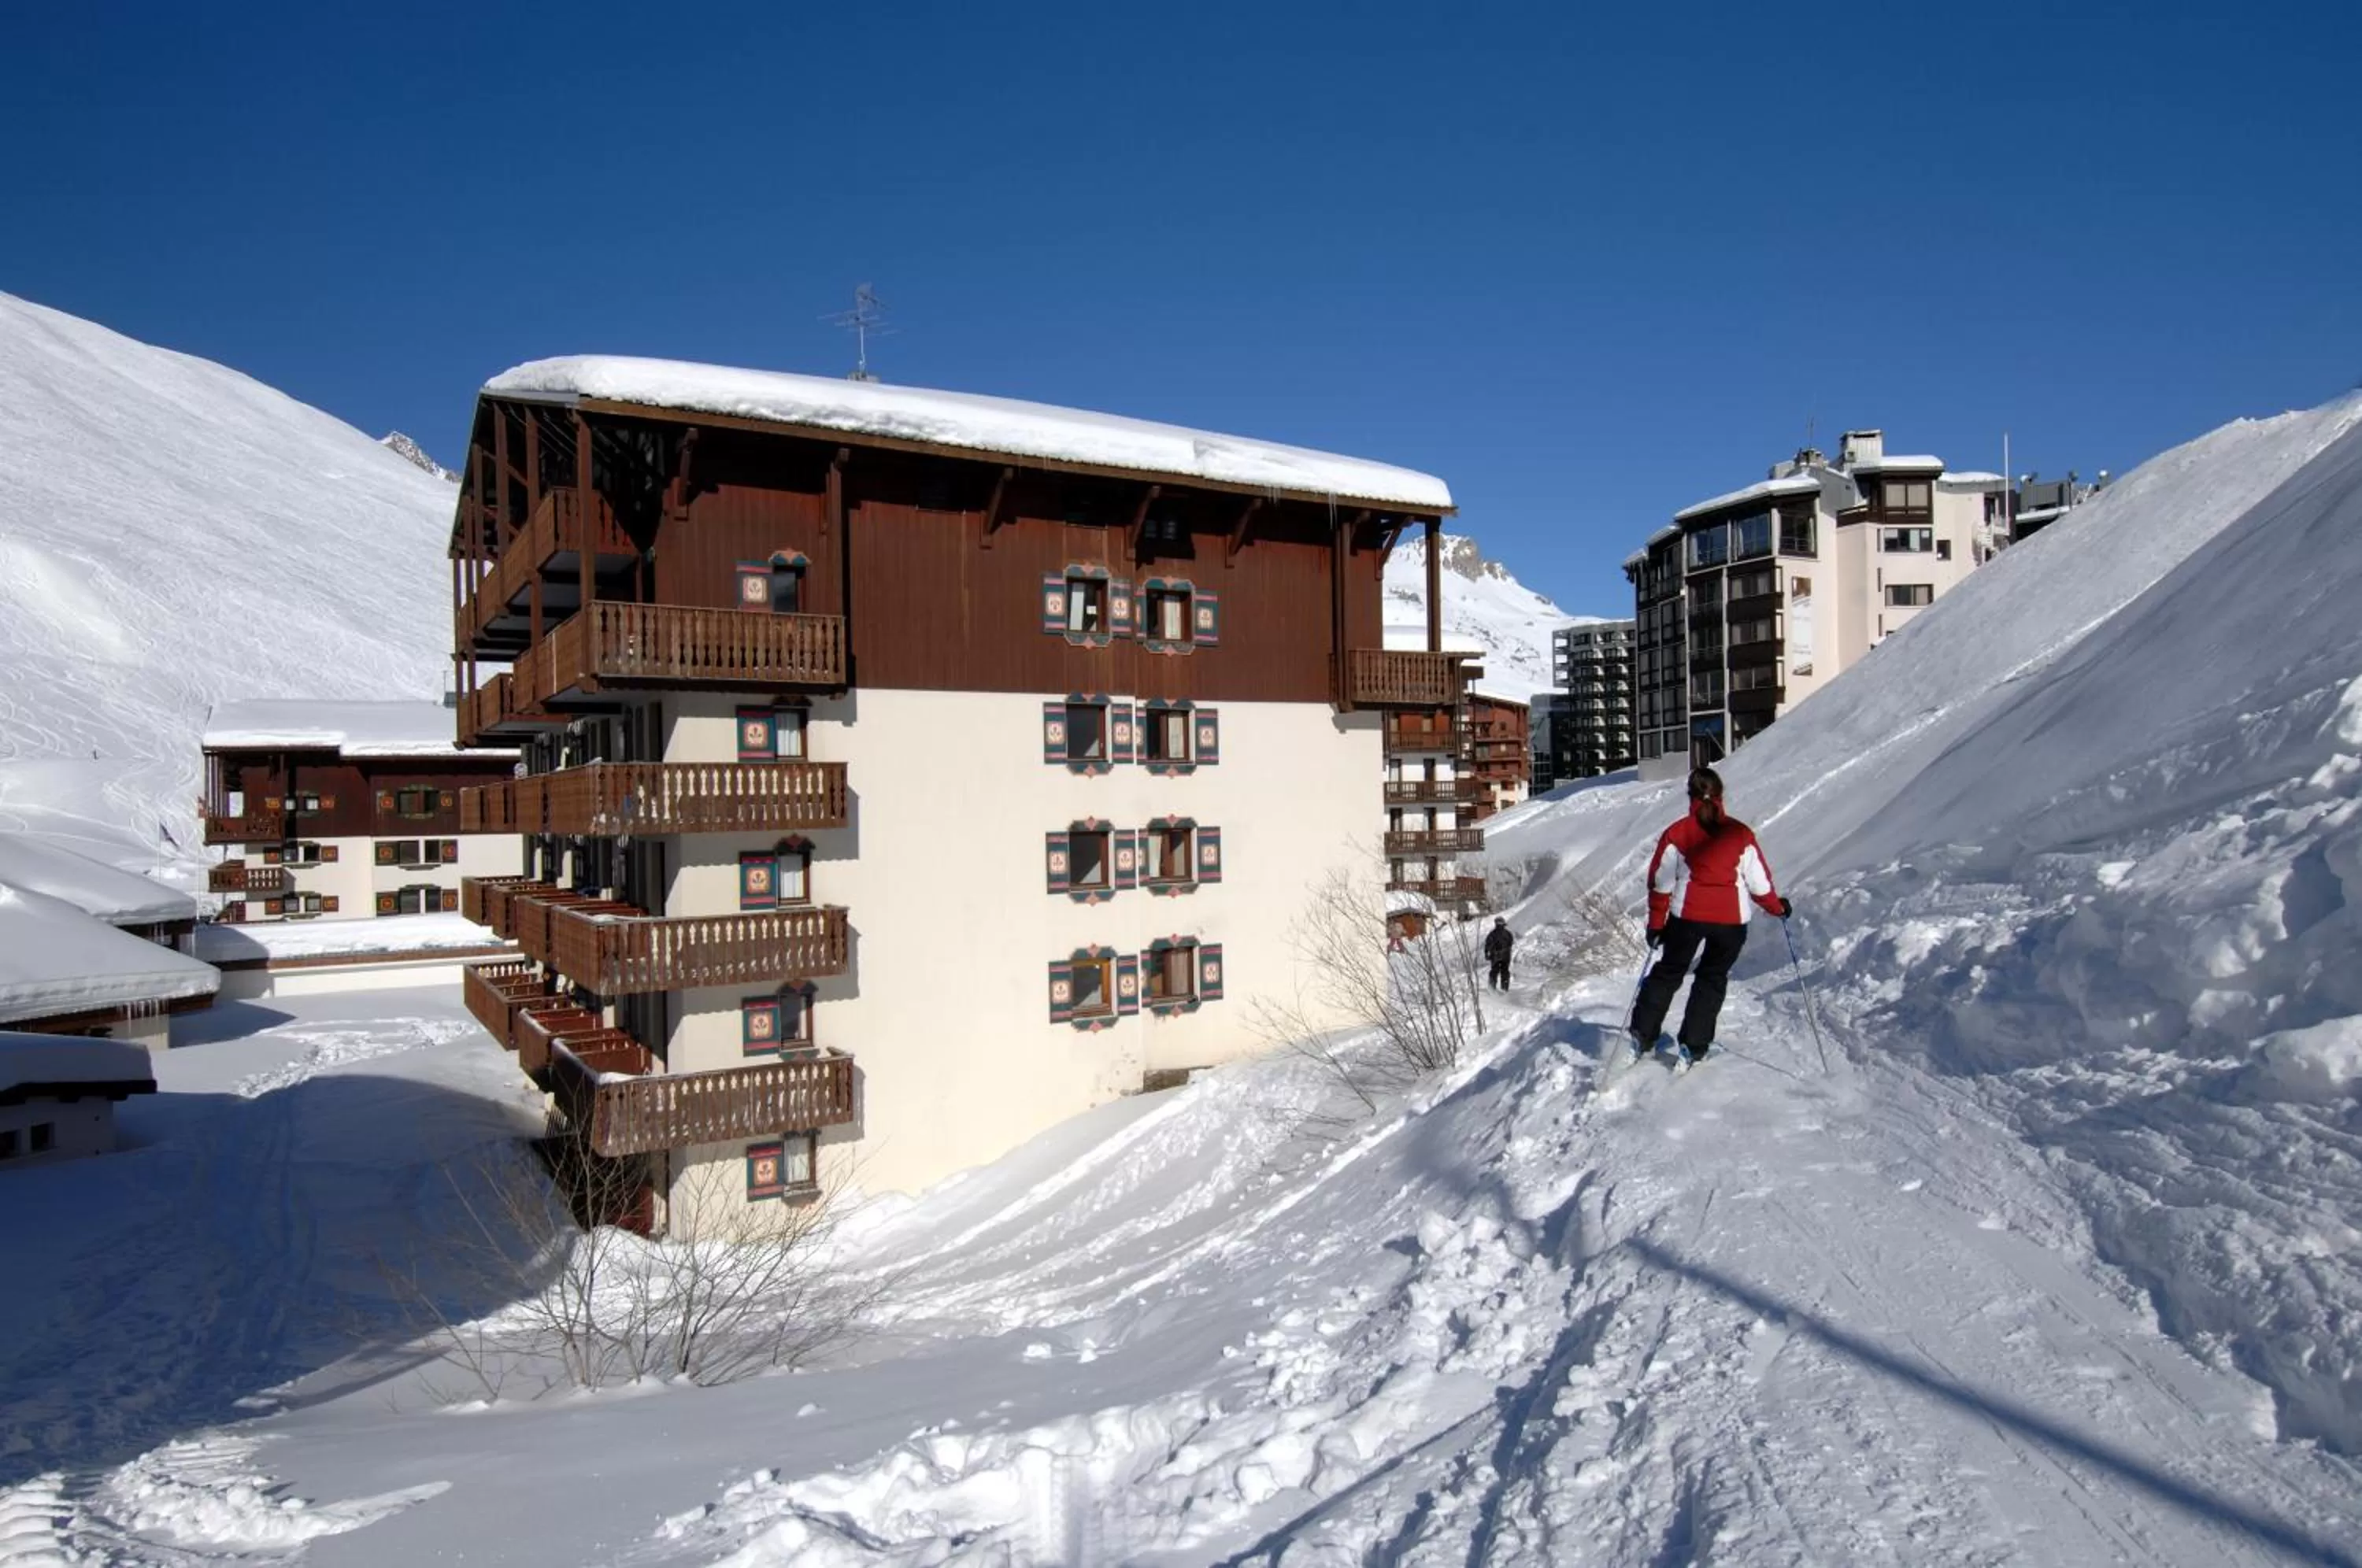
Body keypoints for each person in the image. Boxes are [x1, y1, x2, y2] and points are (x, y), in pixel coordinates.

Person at [1628, 766, 1791, 1067]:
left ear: (1690, 796)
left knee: (1667, 973)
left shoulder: (1677, 833)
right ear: (1720, 796)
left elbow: (1660, 884)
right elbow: (1759, 885)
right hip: (1731, 922)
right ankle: (1694, 1046)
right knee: (1711, 979)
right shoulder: (1739, 833)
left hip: (1687, 918)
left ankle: (1643, 1035)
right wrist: (1777, 908)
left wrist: (1656, 925)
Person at [1483, 916, 1515, 991]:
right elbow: (1511, 943)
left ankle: (1492, 988)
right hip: (1504, 956)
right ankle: (1504, 989)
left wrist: (1487, 953)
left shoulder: (1493, 934)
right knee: (1504, 972)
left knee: (1495, 972)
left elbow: (1487, 945)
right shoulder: (1507, 933)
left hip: (1496, 956)